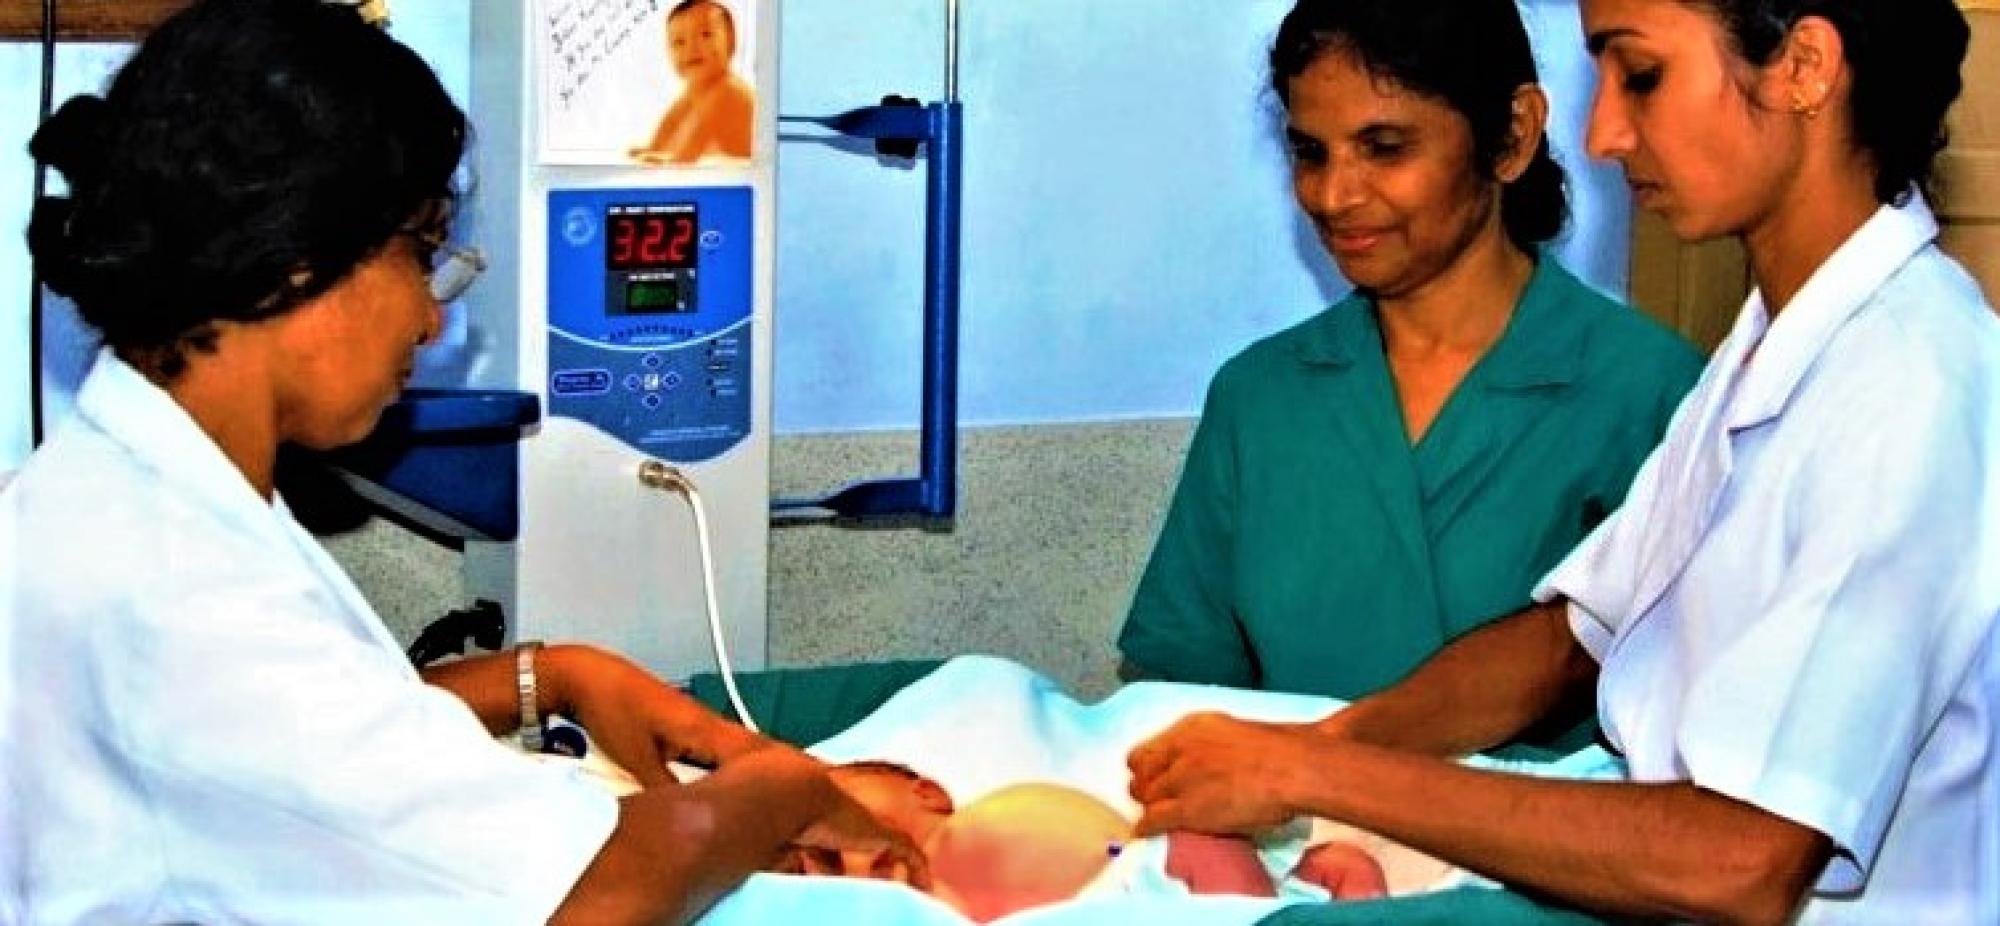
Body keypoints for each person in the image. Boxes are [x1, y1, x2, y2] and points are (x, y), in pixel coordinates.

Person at [0, 2, 921, 925]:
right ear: (295, 262)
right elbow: (595, 899)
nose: (432, 316)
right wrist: (788, 787)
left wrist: (553, 674)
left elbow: (306, 730)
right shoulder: (177, 593)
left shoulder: (116, 498)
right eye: (422, 250)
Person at [1128, 0, 1993, 922]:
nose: (1604, 134)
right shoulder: (1768, 355)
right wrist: (1320, 743)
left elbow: (1742, 859)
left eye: (1641, 76)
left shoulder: (1913, 385)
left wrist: (1320, 768)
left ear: (1805, 67)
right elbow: (1573, 635)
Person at [1116, 0, 1702, 756]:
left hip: (1538, 868)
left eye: (1384, 148)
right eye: (1310, 153)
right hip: (1293, 862)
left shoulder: (1649, 393)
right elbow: (1178, 693)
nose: (1334, 195)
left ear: (1512, 136)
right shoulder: (1260, 399)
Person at [810, 762, 1394, 921]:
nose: (847, 841)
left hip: (1149, 868)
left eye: (846, 809)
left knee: (1199, 836)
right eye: (830, 863)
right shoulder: (919, 901)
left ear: (927, 792)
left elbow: (1123, 841)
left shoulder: (973, 821)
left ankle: (1312, 892)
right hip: (1113, 910)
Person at [630, 0, 755, 165]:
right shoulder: (697, 90)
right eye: (679, 42)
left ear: (731, 42)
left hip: (750, 167)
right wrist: (654, 148)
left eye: (705, 35)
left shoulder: (728, 91)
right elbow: (672, 120)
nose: (692, 48)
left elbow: (698, 134)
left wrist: (676, 160)